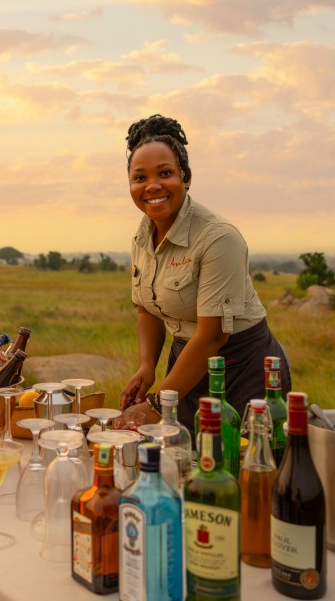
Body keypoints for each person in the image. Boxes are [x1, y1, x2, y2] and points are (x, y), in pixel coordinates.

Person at [118, 114, 291, 436]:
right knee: (184, 459)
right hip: (186, 366)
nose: (152, 186)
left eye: (165, 173)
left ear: (185, 178)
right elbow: (147, 309)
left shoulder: (218, 237)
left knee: (241, 469)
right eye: (139, 177)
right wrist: (146, 366)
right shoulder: (142, 237)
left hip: (242, 367)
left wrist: (157, 404)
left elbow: (213, 335)